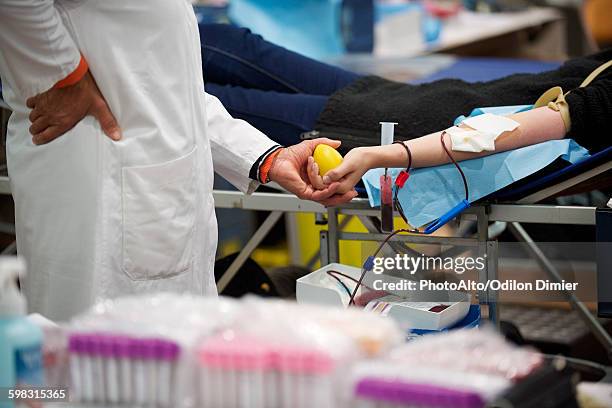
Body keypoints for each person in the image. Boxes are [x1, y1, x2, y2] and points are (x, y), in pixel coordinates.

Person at [0, 1, 354, 321]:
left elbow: (169, 88)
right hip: (100, 186)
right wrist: (63, 77)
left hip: (155, 198)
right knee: (85, 369)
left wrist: (266, 157)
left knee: (170, 367)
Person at [199, 24, 610, 156]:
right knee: (233, 44)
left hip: (410, 128)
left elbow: (505, 132)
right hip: (422, 99)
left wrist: (390, 155)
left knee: (218, 105)